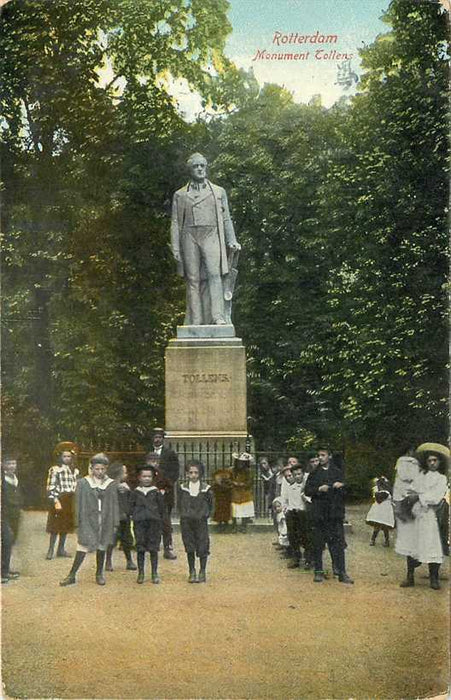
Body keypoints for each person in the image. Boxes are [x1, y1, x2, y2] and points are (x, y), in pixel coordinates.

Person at [170, 152, 241, 325]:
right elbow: (175, 222)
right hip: (189, 236)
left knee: (214, 274)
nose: (200, 169)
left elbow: (226, 219)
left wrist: (231, 239)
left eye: (202, 165)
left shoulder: (218, 192)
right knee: (192, 278)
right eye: (196, 166)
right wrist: (176, 248)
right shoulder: (180, 195)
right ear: (190, 170)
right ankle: (196, 319)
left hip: (211, 235)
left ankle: (218, 316)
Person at [60, 453, 120, 587]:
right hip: (87, 518)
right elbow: (77, 504)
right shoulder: (83, 483)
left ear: (106, 469)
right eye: (97, 469)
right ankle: (72, 574)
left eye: (103, 469)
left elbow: (114, 503)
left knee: (102, 545)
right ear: (91, 468)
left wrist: (115, 522)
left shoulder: (110, 484)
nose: (99, 472)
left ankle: (99, 574)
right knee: (83, 545)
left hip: (104, 518)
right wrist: (77, 522)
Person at [395, 443, 449, 590]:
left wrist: (419, 496)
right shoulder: (420, 476)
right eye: (430, 460)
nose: (432, 463)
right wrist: (412, 496)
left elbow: (436, 497)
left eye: (435, 460)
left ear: (439, 462)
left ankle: (434, 578)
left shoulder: (441, 478)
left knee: (432, 545)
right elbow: (410, 490)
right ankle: (410, 576)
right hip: (416, 513)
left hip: (429, 514)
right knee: (412, 544)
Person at [304, 446, 354, 584]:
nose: (320, 458)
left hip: (334, 514)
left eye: (323, 455)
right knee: (318, 544)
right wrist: (319, 489)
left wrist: (341, 486)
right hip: (319, 515)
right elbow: (307, 491)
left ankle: (342, 572)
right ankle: (318, 572)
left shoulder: (337, 472)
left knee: (338, 544)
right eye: (319, 455)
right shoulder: (314, 474)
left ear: (329, 456)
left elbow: (347, 492)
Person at [129, 465, 165, 584]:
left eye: (149, 476)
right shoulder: (135, 492)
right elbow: (131, 506)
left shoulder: (156, 492)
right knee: (140, 548)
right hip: (139, 523)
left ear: (153, 477)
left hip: (154, 523)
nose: (147, 479)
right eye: (144, 476)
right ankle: (141, 573)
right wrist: (135, 515)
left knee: (153, 549)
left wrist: (158, 518)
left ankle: (154, 573)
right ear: (139, 477)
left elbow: (161, 508)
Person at [178, 461, 213, 583]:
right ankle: (192, 571)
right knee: (190, 546)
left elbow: (210, 503)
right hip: (187, 522)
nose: (193, 475)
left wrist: (205, 514)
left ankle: (202, 571)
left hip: (200, 522)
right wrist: (184, 514)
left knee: (203, 545)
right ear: (187, 474)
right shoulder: (183, 488)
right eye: (190, 472)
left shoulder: (205, 488)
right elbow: (179, 503)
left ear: (200, 474)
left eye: (196, 472)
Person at [148, 427, 180, 559]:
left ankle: (168, 547)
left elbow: (175, 473)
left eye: (160, 437)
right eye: (155, 437)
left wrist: (165, 487)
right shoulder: (147, 452)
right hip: (149, 493)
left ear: (163, 439)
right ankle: (151, 545)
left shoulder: (170, 453)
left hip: (165, 493)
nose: (157, 439)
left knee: (165, 521)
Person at [45, 443, 79, 559]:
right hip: (59, 499)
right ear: (60, 457)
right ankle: (50, 550)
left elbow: (75, 486)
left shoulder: (75, 471)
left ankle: (61, 549)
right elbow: (51, 487)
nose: (67, 459)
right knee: (55, 526)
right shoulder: (55, 470)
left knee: (65, 526)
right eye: (64, 456)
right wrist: (55, 501)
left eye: (69, 456)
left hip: (70, 499)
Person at [105, 462, 137, 572]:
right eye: (124, 472)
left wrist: (129, 491)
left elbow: (131, 501)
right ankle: (108, 561)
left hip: (124, 516)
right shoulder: (109, 486)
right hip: (113, 517)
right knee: (111, 540)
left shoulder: (125, 486)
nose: (126, 474)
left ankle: (129, 561)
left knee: (127, 539)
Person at [1, 455, 23, 583]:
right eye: (8, 464)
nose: (11, 466)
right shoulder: (2, 479)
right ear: (2, 465)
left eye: (13, 463)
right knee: (7, 539)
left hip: (14, 513)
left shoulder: (15, 478)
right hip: (4, 513)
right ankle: (3, 572)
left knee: (11, 540)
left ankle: (5, 569)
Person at [366, 476, 394, 547]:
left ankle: (375, 540)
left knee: (380, 525)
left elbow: (378, 499)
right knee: (382, 525)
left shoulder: (383, 493)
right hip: (382, 509)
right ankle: (383, 541)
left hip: (382, 510)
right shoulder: (387, 493)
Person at [230, 452, 255, 533]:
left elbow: (250, 482)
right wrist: (234, 483)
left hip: (245, 492)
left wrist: (241, 484)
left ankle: (243, 526)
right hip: (235, 492)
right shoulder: (232, 470)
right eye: (239, 462)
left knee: (245, 509)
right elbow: (228, 480)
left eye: (243, 462)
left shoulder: (248, 471)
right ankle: (234, 526)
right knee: (234, 509)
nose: (241, 464)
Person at [211, 466, 233, 531]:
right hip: (220, 500)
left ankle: (225, 524)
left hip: (225, 499)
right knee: (219, 511)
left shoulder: (227, 482)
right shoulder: (216, 485)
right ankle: (220, 524)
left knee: (225, 511)